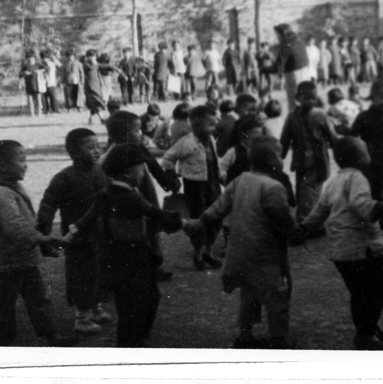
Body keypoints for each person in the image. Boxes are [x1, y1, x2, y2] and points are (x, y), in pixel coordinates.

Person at [69, 143, 190, 348]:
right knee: (145, 301)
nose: (143, 173)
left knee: (127, 305)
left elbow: (86, 219)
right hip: (135, 260)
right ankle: (133, 343)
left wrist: (69, 235)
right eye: (140, 168)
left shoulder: (106, 193)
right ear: (127, 172)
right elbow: (156, 214)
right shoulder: (131, 197)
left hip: (115, 261)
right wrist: (186, 223)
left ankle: (130, 341)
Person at [189, 136, 303, 349]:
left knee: (248, 294)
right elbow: (283, 218)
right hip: (265, 255)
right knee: (277, 298)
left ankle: (244, 335)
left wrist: (200, 221)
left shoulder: (240, 180)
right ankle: (279, 339)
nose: (281, 159)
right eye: (279, 155)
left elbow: (219, 207)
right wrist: (297, 232)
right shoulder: (273, 186)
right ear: (271, 159)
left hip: (240, 252)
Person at [301, 137, 383, 349]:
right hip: (361, 248)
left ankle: (367, 330)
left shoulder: (333, 182)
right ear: (358, 159)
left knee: (359, 293)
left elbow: (319, 211)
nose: (369, 156)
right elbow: (361, 205)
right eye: (365, 152)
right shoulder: (357, 178)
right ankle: (365, 336)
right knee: (377, 291)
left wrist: (304, 228)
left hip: (340, 251)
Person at [0, 140, 75, 347]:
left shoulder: (12, 188)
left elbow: (25, 223)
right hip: (7, 262)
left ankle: (51, 336)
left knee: (39, 300)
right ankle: (3, 344)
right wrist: (41, 239)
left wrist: (41, 244)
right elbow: (15, 226)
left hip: (23, 258)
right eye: (21, 160)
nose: (26, 165)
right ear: (3, 166)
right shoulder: (0, 194)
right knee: (6, 303)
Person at [36, 129, 110, 336]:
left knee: (101, 271)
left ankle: (96, 308)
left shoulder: (101, 172)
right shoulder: (64, 177)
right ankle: (82, 317)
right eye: (90, 147)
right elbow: (48, 204)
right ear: (74, 152)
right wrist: (43, 232)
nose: (97, 151)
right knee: (81, 275)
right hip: (77, 238)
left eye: (98, 146)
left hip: (101, 235)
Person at [105, 110, 180, 282]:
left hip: (145, 191)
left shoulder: (138, 146)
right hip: (128, 197)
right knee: (135, 232)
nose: (140, 133)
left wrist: (168, 183)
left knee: (151, 229)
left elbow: (153, 165)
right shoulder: (114, 153)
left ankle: (154, 266)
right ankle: (142, 269)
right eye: (136, 130)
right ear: (123, 133)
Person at [161, 104, 223, 271]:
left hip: (213, 184)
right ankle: (198, 253)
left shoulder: (211, 140)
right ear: (196, 125)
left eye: (214, 123)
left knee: (216, 216)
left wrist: (220, 176)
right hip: (196, 187)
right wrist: (173, 177)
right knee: (199, 219)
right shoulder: (186, 143)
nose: (213, 127)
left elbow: (214, 161)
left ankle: (209, 251)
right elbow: (167, 158)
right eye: (209, 124)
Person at [280, 80, 339, 221]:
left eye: (313, 98)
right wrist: (279, 157)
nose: (310, 101)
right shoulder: (292, 117)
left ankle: (305, 226)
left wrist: (341, 156)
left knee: (309, 196)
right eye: (306, 98)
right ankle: (312, 224)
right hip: (300, 164)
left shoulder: (321, 116)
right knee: (302, 194)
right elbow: (285, 139)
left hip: (318, 165)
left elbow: (333, 138)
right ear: (297, 99)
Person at [350, 80, 383, 230]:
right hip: (368, 160)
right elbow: (353, 136)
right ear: (373, 97)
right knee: (368, 189)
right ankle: (368, 220)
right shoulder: (363, 116)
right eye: (382, 97)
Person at [274, 23, 311, 111]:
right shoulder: (299, 40)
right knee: (304, 99)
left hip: (293, 74)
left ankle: (295, 122)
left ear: (283, 33)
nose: (277, 37)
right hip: (305, 72)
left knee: (294, 102)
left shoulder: (286, 44)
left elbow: (278, 65)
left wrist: (265, 70)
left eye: (277, 35)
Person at [82, 49, 105, 124]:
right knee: (96, 102)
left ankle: (91, 118)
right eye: (90, 56)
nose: (92, 58)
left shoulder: (96, 64)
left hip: (97, 86)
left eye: (93, 56)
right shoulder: (86, 64)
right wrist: (95, 63)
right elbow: (91, 68)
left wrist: (116, 69)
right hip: (90, 87)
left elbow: (104, 67)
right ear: (87, 57)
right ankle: (102, 118)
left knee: (94, 103)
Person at [18, 49, 43, 117]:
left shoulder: (38, 65)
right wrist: (24, 73)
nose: (30, 59)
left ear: (34, 58)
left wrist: (39, 71)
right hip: (28, 85)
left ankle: (39, 112)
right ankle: (31, 113)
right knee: (30, 101)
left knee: (38, 100)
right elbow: (20, 75)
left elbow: (46, 69)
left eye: (31, 57)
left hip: (37, 85)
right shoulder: (25, 66)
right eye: (28, 58)